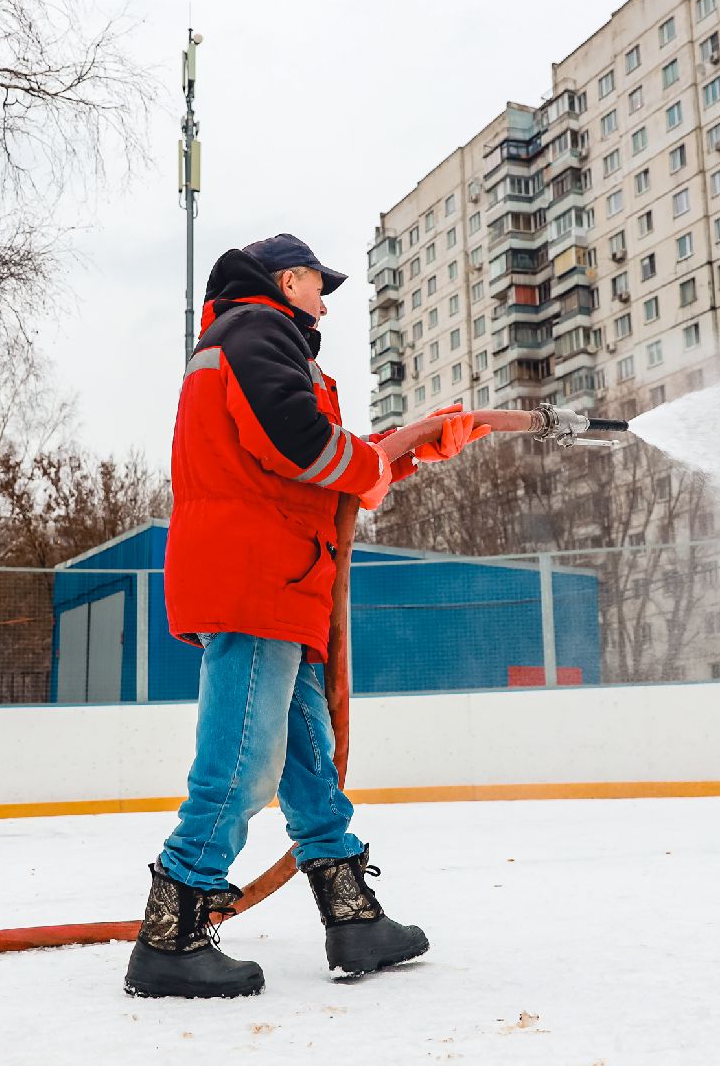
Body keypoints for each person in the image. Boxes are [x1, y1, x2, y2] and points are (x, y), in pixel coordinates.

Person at [124, 234, 484, 999]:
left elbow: (318, 465)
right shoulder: (258, 331)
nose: (325, 304)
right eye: (321, 288)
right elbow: (296, 440)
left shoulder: (252, 337)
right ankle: (173, 932)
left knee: (310, 761)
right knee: (243, 763)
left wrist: (409, 449)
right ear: (290, 281)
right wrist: (375, 463)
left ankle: (352, 918)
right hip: (257, 576)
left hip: (278, 577)